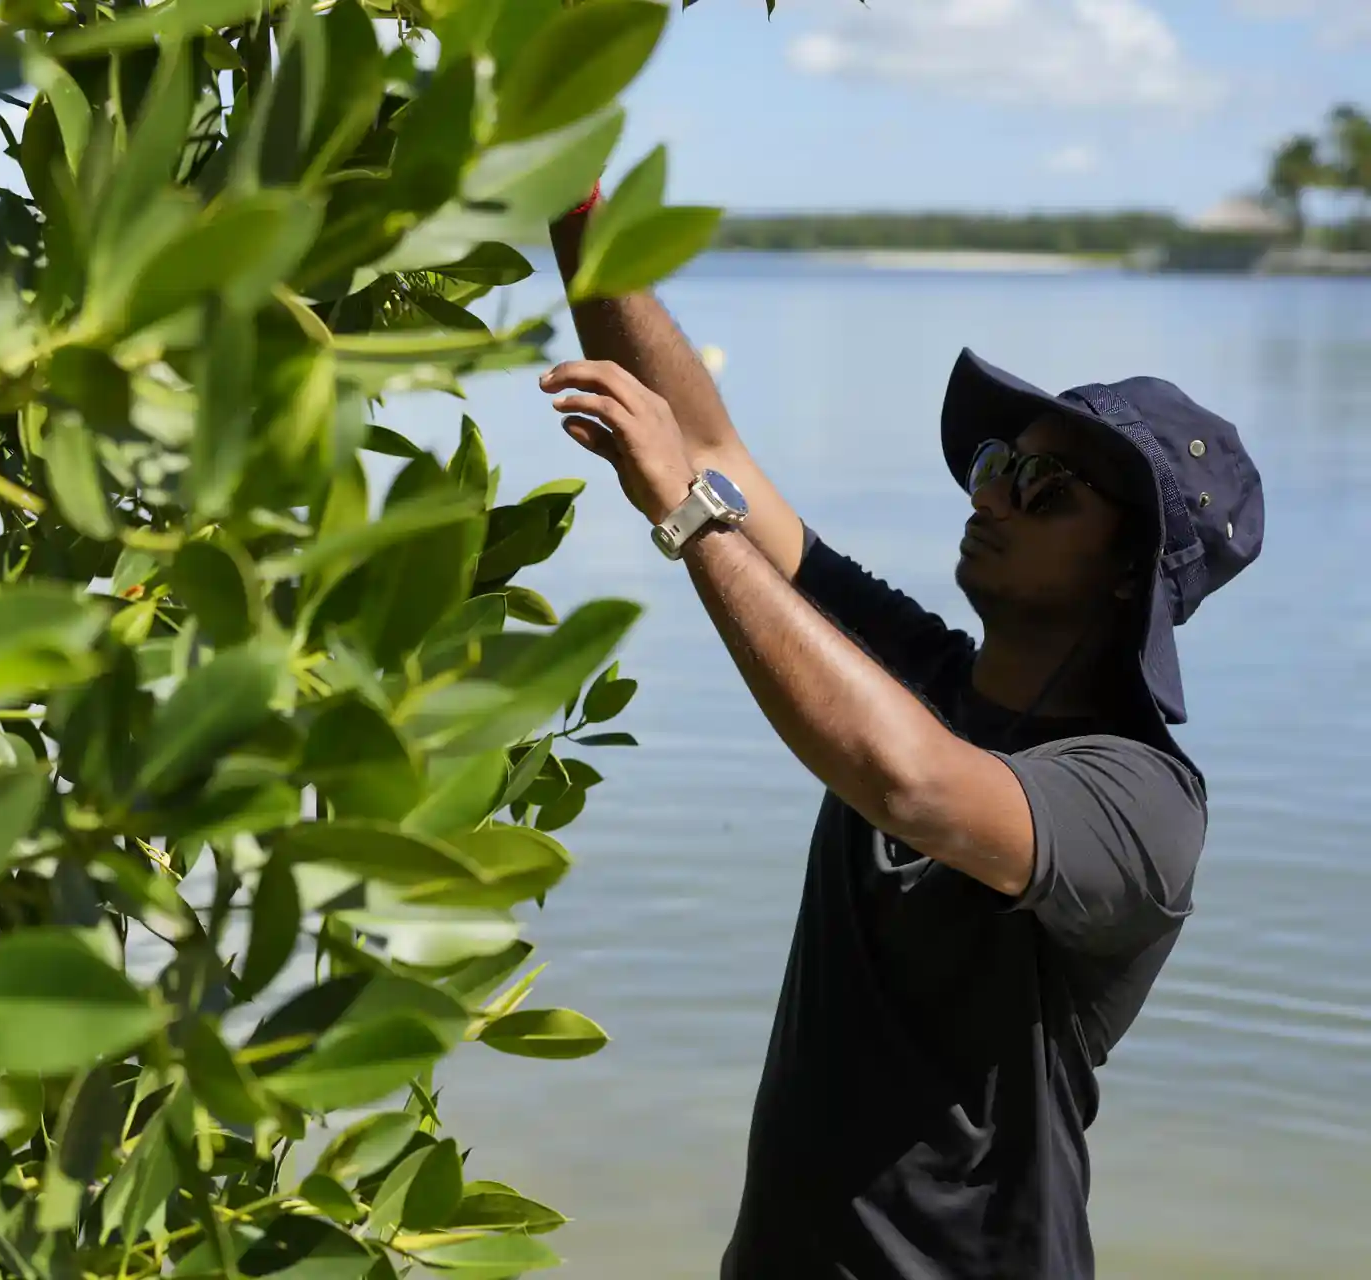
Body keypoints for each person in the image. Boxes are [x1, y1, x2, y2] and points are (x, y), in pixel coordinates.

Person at [541, 193, 1264, 1279]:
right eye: (996, 463)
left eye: (1045, 487)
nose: (996, 497)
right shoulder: (926, 672)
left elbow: (911, 782)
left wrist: (685, 515)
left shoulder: (1140, 799)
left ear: (1131, 571)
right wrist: (575, 209)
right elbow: (712, 449)